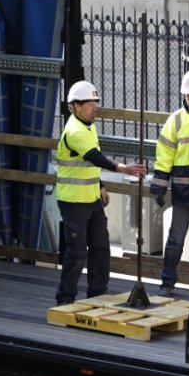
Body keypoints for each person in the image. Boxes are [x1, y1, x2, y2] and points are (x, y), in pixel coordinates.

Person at [55, 80, 146, 304]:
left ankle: (97, 295)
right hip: (73, 201)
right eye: (89, 104)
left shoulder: (88, 126)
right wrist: (121, 168)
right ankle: (65, 299)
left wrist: (100, 185)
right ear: (75, 106)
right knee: (76, 253)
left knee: (101, 247)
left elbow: (88, 165)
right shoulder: (74, 131)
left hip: (91, 198)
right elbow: (95, 157)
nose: (95, 107)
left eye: (96, 103)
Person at [149, 67, 189, 297]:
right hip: (184, 190)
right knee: (175, 239)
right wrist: (159, 184)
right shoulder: (177, 119)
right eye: (188, 97)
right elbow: (164, 153)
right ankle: (167, 282)